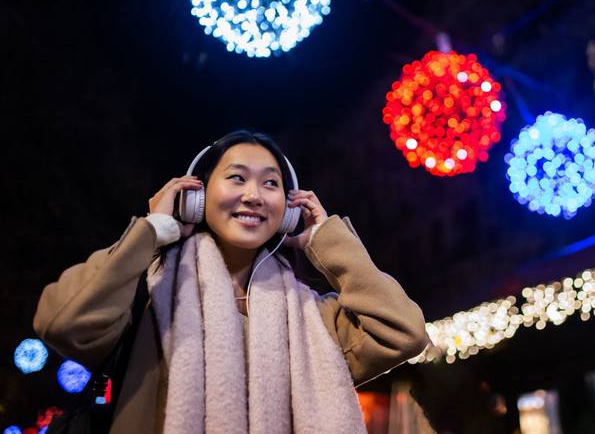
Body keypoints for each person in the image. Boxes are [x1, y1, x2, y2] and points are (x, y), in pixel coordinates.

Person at [34, 129, 429, 434]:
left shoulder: (316, 319)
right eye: (237, 178)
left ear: (288, 211)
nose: (254, 195)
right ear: (197, 197)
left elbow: (403, 332)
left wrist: (326, 240)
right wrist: (151, 231)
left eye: (270, 183)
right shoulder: (148, 298)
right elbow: (64, 323)